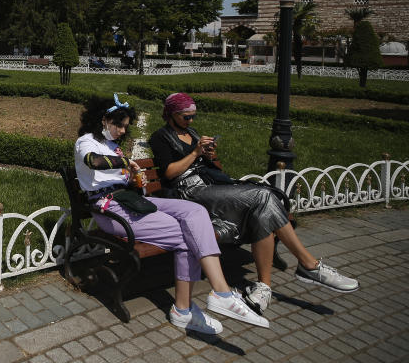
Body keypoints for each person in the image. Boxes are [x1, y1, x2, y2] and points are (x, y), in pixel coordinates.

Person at [149, 92, 359, 314]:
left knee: (263, 211)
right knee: (264, 196)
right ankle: (308, 265)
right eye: (186, 117)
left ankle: (263, 287)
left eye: (193, 117)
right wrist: (195, 152)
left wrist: (207, 155)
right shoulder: (160, 137)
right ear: (172, 114)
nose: (191, 122)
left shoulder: (191, 132)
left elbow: (202, 162)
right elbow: (170, 172)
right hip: (189, 192)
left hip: (210, 187)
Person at [76, 95, 269, 334]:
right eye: (120, 125)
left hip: (133, 201)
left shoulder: (111, 146)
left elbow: (122, 178)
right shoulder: (86, 142)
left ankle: (221, 292)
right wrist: (126, 162)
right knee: (185, 234)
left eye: (126, 126)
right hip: (110, 210)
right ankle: (184, 309)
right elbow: (93, 162)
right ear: (104, 120)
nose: (123, 131)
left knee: (196, 213)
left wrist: (137, 180)